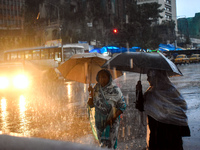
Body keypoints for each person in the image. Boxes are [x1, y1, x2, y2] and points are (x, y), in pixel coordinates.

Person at [136, 69, 190, 150]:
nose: (147, 79)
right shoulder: (172, 90)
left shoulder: (152, 93)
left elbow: (140, 106)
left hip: (158, 138)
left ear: (155, 77)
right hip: (174, 137)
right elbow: (182, 106)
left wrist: (138, 91)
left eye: (149, 76)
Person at [87, 69, 126, 149]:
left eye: (104, 77)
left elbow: (122, 106)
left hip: (111, 122)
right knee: (102, 144)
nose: (102, 80)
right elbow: (91, 104)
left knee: (110, 143)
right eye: (100, 77)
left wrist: (112, 118)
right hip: (100, 122)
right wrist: (91, 94)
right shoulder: (96, 88)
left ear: (109, 78)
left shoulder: (115, 89)